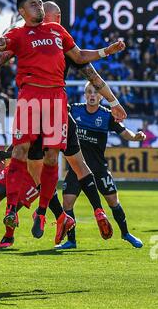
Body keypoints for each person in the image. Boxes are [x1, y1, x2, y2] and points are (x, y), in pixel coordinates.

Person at [0, 0, 126, 245]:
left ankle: (44, 213)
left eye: (41, 2)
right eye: (34, 4)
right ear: (22, 11)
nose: (40, 6)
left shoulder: (57, 31)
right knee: (23, 152)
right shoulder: (19, 34)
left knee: (52, 159)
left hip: (57, 100)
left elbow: (80, 59)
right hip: (30, 97)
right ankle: (14, 211)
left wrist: (106, 53)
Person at [61, 82, 146, 249]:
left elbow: (124, 132)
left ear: (101, 96)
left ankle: (126, 233)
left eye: (95, 92)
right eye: (89, 92)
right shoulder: (74, 110)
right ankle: (71, 241)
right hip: (76, 167)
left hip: (99, 168)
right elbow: (57, 111)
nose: (92, 95)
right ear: (85, 95)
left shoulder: (106, 116)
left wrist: (136, 137)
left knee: (113, 201)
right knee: (67, 203)